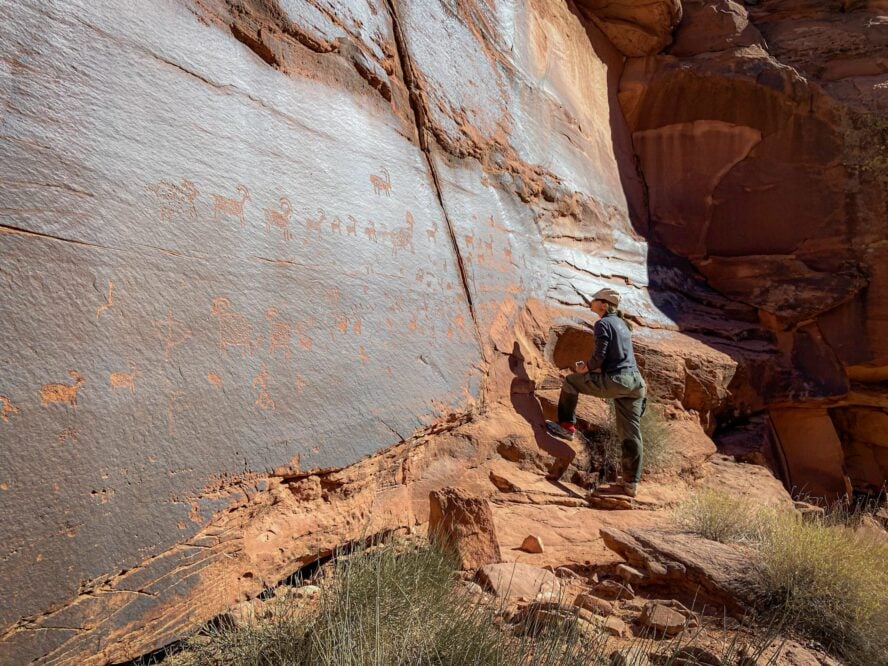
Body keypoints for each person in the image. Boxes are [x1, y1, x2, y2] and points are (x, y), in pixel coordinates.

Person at [546, 287, 646, 497]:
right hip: (636, 383)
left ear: (604, 305)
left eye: (594, 299)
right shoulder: (623, 325)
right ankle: (631, 484)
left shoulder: (603, 323)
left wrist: (586, 367)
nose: (591, 302)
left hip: (617, 380)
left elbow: (600, 354)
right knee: (631, 434)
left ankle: (566, 427)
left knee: (571, 382)